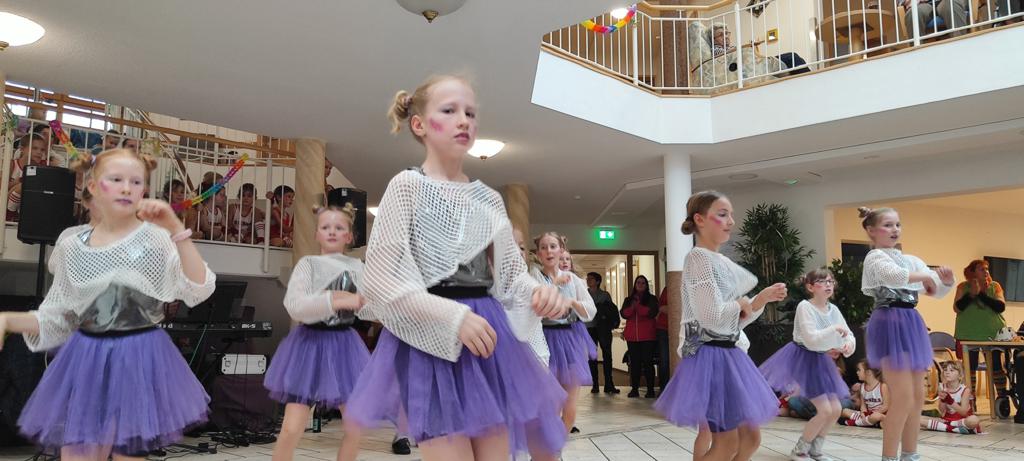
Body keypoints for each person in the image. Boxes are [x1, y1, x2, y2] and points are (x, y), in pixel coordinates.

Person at [341, 75, 571, 461]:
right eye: (449, 110)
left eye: (470, 113)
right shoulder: (407, 186)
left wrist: (540, 292)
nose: (463, 120)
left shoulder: (489, 199)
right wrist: (452, 317)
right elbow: (378, 279)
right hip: (430, 335)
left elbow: (512, 276)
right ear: (419, 124)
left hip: (488, 339)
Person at [0, 148, 215, 459]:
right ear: (92, 186)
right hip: (87, 356)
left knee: (127, 451)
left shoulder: (154, 239)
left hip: (139, 356)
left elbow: (199, 288)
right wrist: (8, 320)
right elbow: (57, 316)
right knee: (78, 452)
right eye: (116, 179)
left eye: (136, 182)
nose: (126, 188)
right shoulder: (72, 245)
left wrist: (176, 230)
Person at [655, 190, 786, 461]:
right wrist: (741, 304)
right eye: (723, 214)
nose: (731, 221)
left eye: (731, 215)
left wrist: (759, 300)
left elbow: (733, 322)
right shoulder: (699, 258)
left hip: (728, 353)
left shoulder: (721, 261)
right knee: (725, 443)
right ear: (700, 219)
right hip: (711, 357)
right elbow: (711, 316)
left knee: (750, 438)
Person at [263, 204, 375, 461]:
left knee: (355, 427)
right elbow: (295, 306)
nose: (332, 232)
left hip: (345, 348)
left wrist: (367, 303)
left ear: (349, 236)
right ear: (316, 234)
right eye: (325, 227)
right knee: (292, 428)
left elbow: (369, 306)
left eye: (339, 227)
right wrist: (336, 299)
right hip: (308, 346)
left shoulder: (357, 267)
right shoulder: (308, 264)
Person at [857, 206, 955, 461]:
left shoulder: (910, 259)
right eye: (888, 225)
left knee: (917, 396)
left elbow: (933, 289)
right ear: (871, 230)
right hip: (889, 321)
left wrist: (945, 281)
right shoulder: (875, 258)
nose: (895, 229)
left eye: (897, 224)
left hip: (911, 321)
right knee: (902, 397)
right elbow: (895, 277)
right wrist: (928, 275)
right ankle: (889, 457)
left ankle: (910, 454)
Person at [759, 268, 855, 460]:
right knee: (825, 410)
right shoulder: (805, 307)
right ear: (810, 287)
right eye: (822, 282)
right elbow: (811, 338)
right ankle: (800, 450)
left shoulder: (833, 310)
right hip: (804, 359)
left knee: (836, 409)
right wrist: (833, 331)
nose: (828, 285)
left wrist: (846, 346)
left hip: (821, 359)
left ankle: (815, 449)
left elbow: (848, 334)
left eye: (830, 281)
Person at [532, 232, 597, 434]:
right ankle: (548, 446)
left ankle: (555, 444)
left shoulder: (574, 280)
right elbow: (533, 303)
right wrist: (554, 285)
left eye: (553, 246)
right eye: (544, 247)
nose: (549, 251)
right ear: (538, 254)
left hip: (569, 341)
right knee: (549, 403)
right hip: (544, 339)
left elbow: (590, 310)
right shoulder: (534, 277)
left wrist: (573, 302)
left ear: (561, 250)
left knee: (570, 408)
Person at [953, 259, 1008, 391]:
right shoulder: (962, 287)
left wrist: (980, 294)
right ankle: (970, 399)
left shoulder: (995, 286)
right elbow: (957, 308)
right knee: (970, 366)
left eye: (987, 269)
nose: (986, 271)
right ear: (972, 272)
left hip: (992, 334)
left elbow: (1000, 307)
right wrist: (971, 294)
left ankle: (1002, 397)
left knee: (996, 365)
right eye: (982, 269)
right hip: (969, 334)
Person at [621, 275, 660, 398]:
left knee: (648, 363)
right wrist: (633, 307)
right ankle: (634, 389)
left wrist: (637, 306)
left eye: (643, 283)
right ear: (635, 284)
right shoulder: (628, 299)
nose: (640, 284)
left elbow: (651, 313)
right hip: (632, 337)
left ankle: (650, 390)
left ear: (646, 285)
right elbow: (624, 314)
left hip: (648, 336)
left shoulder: (652, 299)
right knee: (635, 364)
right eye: (638, 282)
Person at [920, 361, 981, 434]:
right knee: (917, 419)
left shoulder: (965, 390)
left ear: (960, 375)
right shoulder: (942, 387)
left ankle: (947, 427)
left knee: (974, 420)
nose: (947, 372)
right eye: (945, 370)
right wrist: (943, 400)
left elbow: (964, 413)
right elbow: (942, 411)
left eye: (951, 370)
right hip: (946, 420)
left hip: (962, 420)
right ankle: (953, 428)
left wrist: (950, 401)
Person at [586, 272, 620, 394]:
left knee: (607, 355)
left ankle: (609, 384)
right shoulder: (584, 294)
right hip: (589, 327)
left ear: (598, 281)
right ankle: (595, 384)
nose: (588, 280)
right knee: (592, 356)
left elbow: (611, 311)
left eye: (591, 279)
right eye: (587, 278)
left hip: (604, 328)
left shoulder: (605, 295)